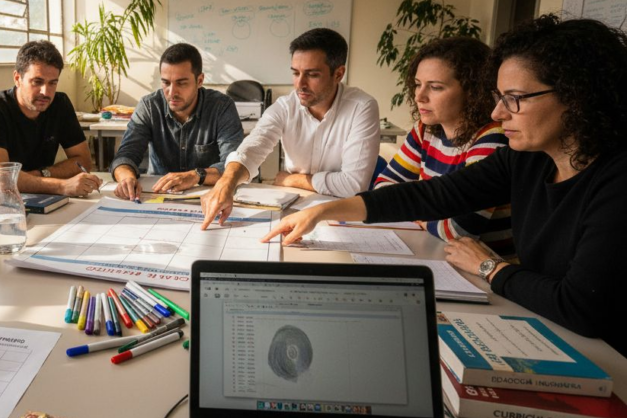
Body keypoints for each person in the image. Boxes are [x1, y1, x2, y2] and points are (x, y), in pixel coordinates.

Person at [265, 15, 627, 357]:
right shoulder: (530, 158)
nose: (498, 113)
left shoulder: (615, 179)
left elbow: (580, 306)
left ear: (577, 98)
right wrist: (325, 210)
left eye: (513, 98)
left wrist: (490, 267)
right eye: (499, 97)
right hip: (550, 328)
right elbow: (437, 194)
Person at [201, 28, 380, 228]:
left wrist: (292, 179)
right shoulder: (285, 106)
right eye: (295, 73)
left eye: (312, 75)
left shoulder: (362, 107)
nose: (300, 84)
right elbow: (252, 148)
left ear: (338, 74)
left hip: (340, 213)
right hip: (294, 206)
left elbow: (352, 186)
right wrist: (227, 181)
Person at [373, 37, 514, 257]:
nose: (419, 96)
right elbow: (383, 186)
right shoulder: (425, 130)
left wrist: (404, 206)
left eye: (436, 87)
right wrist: (415, 209)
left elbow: (458, 231)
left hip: (487, 273)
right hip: (436, 251)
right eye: (418, 84)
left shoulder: (492, 138)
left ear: (472, 91)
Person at [110, 43, 244, 200]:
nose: (172, 92)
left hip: (208, 195)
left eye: (181, 83)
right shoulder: (149, 106)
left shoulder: (221, 107)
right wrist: (126, 177)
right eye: (166, 83)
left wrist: (195, 175)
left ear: (200, 80)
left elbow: (234, 165)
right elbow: (125, 156)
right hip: (157, 195)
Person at [0, 40, 102, 196]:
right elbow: (2, 180)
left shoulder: (60, 104)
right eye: (37, 82)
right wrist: (61, 186)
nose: (46, 92)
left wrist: (41, 175)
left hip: (40, 195)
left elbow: (83, 161)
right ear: (17, 78)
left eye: (52, 83)